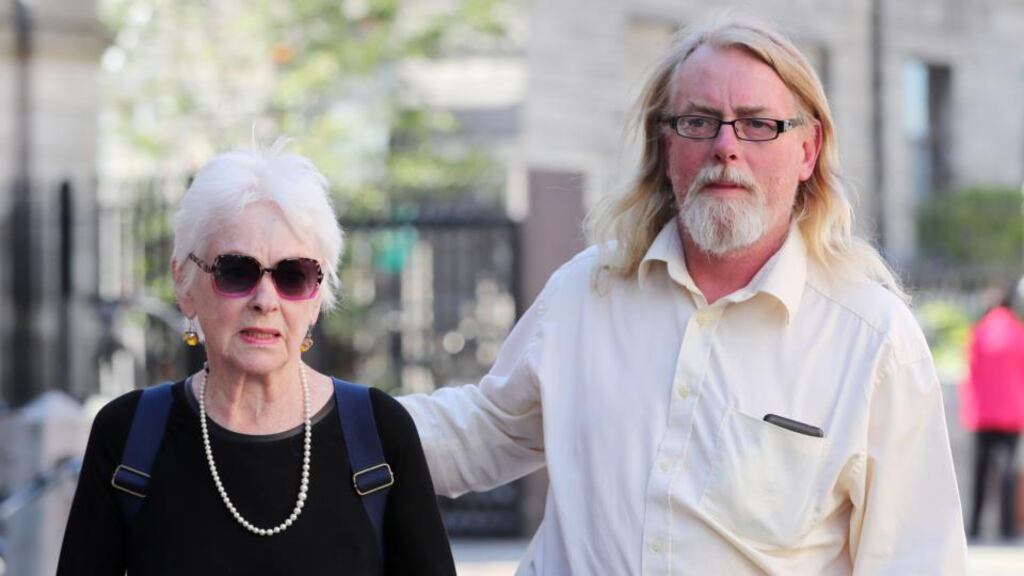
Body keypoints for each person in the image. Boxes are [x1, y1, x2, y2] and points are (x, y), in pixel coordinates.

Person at [399, 16, 968, 574]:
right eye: (699, 121)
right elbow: (486, 432)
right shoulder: (585, 291)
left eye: (757, 123)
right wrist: (328, 415)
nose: (725, 146)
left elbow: (918, 559)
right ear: (664, 143)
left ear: (807, 150)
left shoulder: (871, 339)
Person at [57, 141, 456, 575]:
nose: (266, 300)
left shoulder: (380, 433)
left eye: (294, 275)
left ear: (317, 294)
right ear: (184, 283)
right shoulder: (130, 437)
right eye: (236, 271)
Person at [961, 283, 1024, 540]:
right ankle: (1006, 528)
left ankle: (974, 526)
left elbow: (970, 370)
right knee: (1007, 470)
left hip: (982, 413)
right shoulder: (1019, 334)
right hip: (1011, 411)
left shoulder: (978, 333)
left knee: (979, 470)